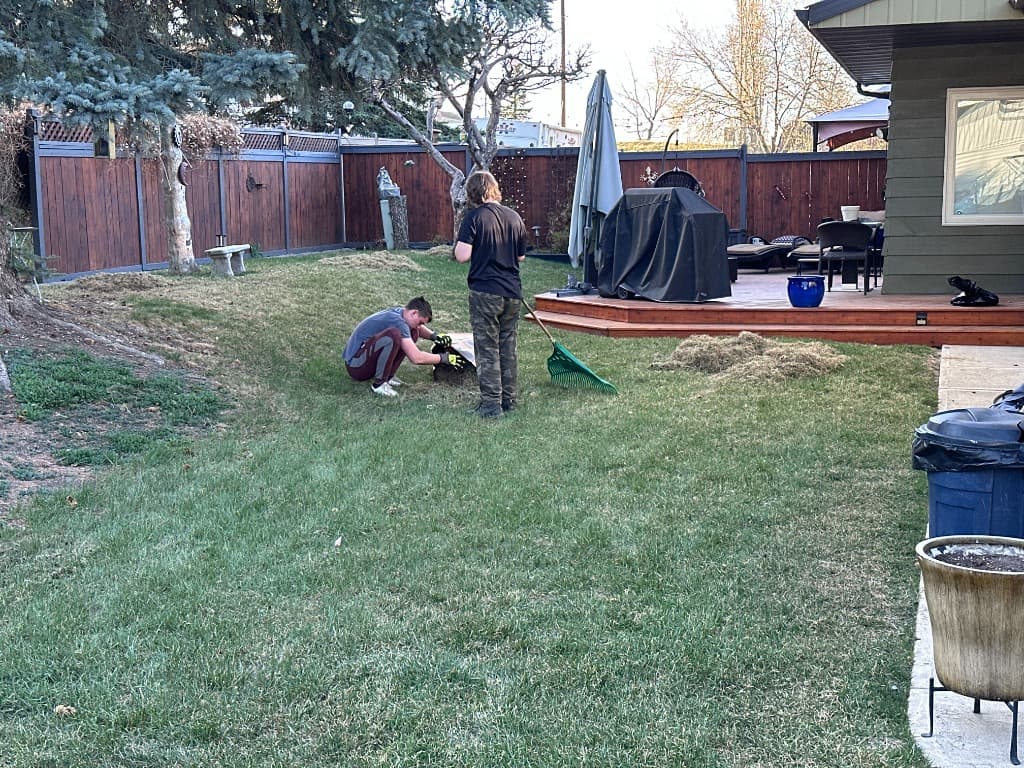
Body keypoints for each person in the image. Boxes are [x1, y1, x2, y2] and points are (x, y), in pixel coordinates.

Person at [454, 170, 528, 418]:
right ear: (494, 189)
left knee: (487, 348)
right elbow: (520, 256)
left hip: (485, 292)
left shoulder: (474, 218)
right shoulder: (514, 217)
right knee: (508, 347)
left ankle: (491, 405)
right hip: (512, 293)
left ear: (472, 193)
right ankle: (509, 400)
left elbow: (462, 255)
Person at [343, 296, 462, 397]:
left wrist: (434, 336)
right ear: (414, 312)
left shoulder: (402, 313)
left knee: (413, 332)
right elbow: (416, 358)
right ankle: (379, 385)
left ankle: (388, 377)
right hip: (356, 367)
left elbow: (418, 329)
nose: (420, 326)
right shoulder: (398, 322)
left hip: (362, 361)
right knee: (393, 335)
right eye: (420, 322)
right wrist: (443, 358)